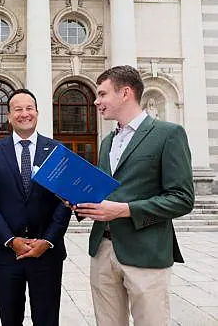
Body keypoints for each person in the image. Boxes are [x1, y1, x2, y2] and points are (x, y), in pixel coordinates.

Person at [74, 65, 194, 326]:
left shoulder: (168, 134)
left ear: (125, 93)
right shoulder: (107, 141)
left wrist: (123, 210)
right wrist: (76, 198)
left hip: (146, 252)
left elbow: (182, 198)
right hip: (102, 250)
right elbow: (106, 192)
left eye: (102, 94)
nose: (96, 101)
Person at [0, 89, 72, 326]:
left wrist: (47, 240)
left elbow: (65, 201)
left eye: (29, 108)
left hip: (47, 254)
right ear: (9, 116)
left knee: (47, 319)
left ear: (37, 113)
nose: (24, 114)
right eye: (18, 109)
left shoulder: (57, 151)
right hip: (8, 254)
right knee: (10, 319)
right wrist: (11, 240)